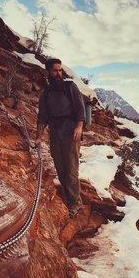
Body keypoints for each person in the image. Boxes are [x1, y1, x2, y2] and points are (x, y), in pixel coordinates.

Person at [36, 58, 85, 218]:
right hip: (55, 133)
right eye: (55, 70)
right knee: (61, 169)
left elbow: (80, 108)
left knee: (71, 169)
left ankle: (75, 203)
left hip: (71, 131)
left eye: (60, 70)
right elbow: (42, 116)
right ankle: (71, 198)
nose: (59, 73)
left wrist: (79, 127)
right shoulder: (46, 93)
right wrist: (38, 137)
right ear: (48, 72)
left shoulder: (70, 87)